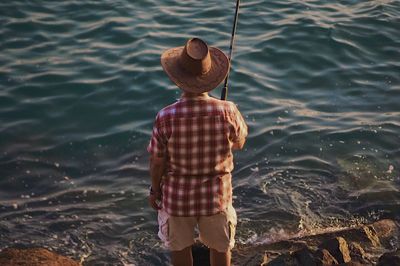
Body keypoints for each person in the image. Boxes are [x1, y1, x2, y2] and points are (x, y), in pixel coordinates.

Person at [147, 37, 247, 266]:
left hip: (177, 200)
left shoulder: (165, 117)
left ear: (178, 80)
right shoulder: (227, 111)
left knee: (180, 252)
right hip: (217, 198)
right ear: (209, 78)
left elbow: (156, 161)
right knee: (220, 250)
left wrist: (154, 190)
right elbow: (240, 142)